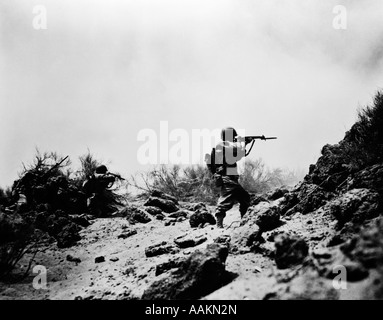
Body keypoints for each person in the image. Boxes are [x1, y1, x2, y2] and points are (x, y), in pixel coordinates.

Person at [213, 127, 251, 228]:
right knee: (225, 201)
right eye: (233, 136)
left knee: (245, 198)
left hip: (232, 178)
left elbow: (239, 155)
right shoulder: (222, 145)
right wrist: (240, 142)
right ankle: (219, 224)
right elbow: (235, 150)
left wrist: (245, 143)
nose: (234, 138)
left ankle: (243, 220)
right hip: (226, 177)